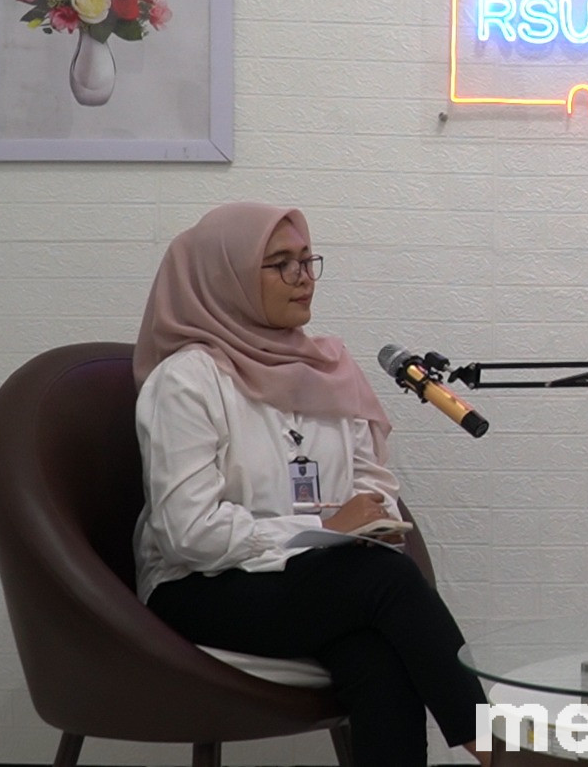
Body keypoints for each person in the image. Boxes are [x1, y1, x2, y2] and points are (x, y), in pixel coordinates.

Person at [132, 202, 490, 767]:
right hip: (202, 586)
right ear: (227, 276)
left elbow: (371, 479)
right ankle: (495, 748)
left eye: (307, 260)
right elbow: (187, 533)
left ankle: (492, 748)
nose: (303, 278)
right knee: (388, 582)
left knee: (376, 656)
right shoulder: (187, 381)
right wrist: (318, 528)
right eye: (280, 264)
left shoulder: (328, 367)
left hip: (311, 580)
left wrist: (370, 520)